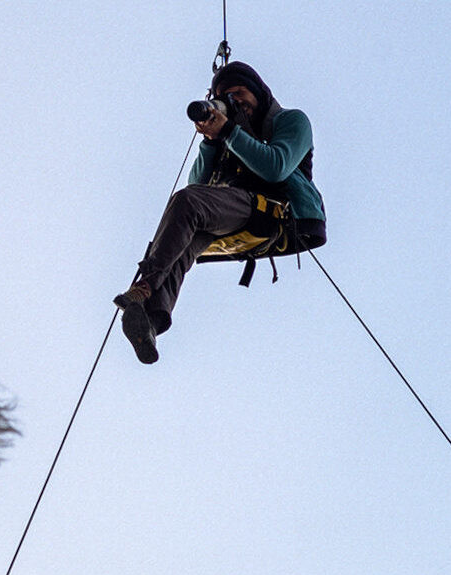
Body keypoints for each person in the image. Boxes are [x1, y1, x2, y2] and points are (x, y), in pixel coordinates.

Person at [114, 61, 324, 364]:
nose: (236, 102)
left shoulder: (291, 121)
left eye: (240, 93)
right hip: (236, 214)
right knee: (183, 235)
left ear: (259, 93)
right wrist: (211, 142)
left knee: (188, 203)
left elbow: (276, 167)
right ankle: (150, 323)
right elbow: (197, 186)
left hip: (276, 212)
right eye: (227, 97)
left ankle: (144, 288)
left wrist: (227, 130)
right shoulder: (227, 137)